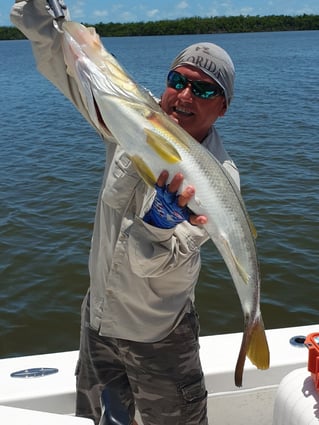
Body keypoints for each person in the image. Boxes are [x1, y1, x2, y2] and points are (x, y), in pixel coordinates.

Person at [10, 1, 240, 424]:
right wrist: (42, 17)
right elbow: (68, 70)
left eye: (205, 89)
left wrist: (159, 225)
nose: (185, 95)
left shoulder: (219, 183)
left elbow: (152, 264)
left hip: (160, 338)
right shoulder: (132, 116)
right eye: (178, 81)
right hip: (97, 323)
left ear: (223, 106)